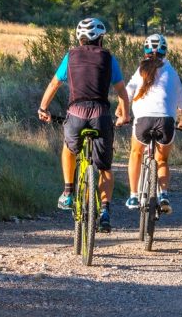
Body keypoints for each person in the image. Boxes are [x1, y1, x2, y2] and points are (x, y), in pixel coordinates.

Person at [38, 18, 130, 233]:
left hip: (76, 113)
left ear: (79, 38)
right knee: (105, 168)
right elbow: (122, 92)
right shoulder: (108, 58)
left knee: (69, 148)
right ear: (100, 38)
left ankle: (68, 193)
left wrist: (43, 108)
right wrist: (124, 115)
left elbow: (54, 84)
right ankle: (105, 212)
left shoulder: (70, 56)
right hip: (101, 114)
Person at [123, 34, 182, 215]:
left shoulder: (140, 70)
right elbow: (181, 100)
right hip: (166, 121)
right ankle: (164, 195)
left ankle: (134, 195)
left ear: (145, 50)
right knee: (163, 160)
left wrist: (121, 113)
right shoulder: (171, 71)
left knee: (136, 153)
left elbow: (127, 93)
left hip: (143, 121)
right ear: (165, 51)